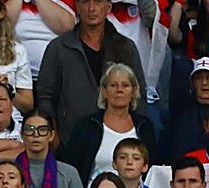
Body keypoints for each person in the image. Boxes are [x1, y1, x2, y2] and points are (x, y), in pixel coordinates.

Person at [35, 0, 145, 145]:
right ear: (77, 7)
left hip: (119, 143)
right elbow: (45, 96)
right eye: (85, 2)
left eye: (98, 1)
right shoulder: (59, 48)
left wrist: (138, 132)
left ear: (108, 7)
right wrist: (53, 136)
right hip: (70, 141)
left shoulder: (125, 47)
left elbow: (138, 94)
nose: (91, 8)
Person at [59, 63, 155, 186]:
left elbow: (152, 168)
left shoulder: (144, 126)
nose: (119, 90)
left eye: (125, 85)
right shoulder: (87, 126)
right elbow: (70, 168)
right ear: (104, 91)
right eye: (113, 85)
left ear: (133, 91)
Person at [16, 110, 86, 188]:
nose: (35, 135)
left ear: (52, 135)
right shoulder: (10, 173)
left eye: (42, 129)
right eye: (29, 129)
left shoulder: (68, 174)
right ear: (22, 134)